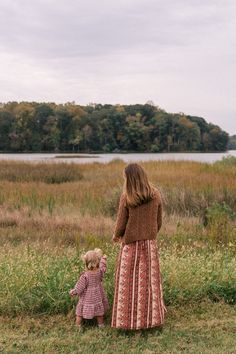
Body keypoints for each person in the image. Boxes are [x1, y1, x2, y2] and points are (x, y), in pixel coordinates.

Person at [111, 163, 166, 330]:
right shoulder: (155, 194)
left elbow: (121, 222)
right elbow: (159, 221)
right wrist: (150, 234)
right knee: (149, 284)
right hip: (149, 245)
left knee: (128, 285)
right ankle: (151, 320)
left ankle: (128, 323)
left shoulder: (126, 197)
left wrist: (116, 235)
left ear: (130, 179)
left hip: (130, 246)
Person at [69, 248, 109, 328]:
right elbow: (103, 267)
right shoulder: (99, 271)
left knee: (79, 313)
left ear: (86, 263)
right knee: (99, 312)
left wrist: (73, 292)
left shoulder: (85, 276)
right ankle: (101, 325)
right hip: (98, 296)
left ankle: (78, 325)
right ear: (97, 260)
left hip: (87, 298)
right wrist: (103, 259)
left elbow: (80, 287)